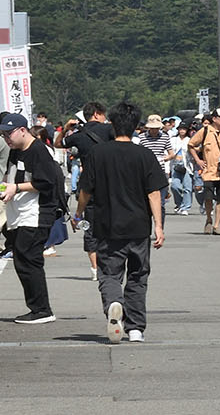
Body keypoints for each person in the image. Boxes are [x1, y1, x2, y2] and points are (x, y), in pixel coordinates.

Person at [75, 102, 167, 342]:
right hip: (138, 226)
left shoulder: (98, 153)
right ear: (136, 126)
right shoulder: (144, 155)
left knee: (109, 274)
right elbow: (154, 193)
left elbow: (85, 189)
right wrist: (158, 225)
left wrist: (78, 213)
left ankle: (114, 303)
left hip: (107, 225)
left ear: (112, 125)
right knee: (138, 276)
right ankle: (135, 328)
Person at [1, 113, 65, 324]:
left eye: (9, 133)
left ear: (22, 130)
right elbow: (11, 176)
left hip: (36, 213)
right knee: (23, 259)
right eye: (3, 134)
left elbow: (46, 182)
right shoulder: (15, 151)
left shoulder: (38, 150)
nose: (6, 138)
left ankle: (42, 310)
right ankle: (38, 308)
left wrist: (16, 187)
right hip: (19, 213)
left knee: (28, 260)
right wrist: (6, 187)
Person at [63, 101, 114, 275]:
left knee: (90, 227)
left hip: (89, 183)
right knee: (111, 224)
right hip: (110, 184)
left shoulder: (79, 134)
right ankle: (110, 263)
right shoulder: (110, 130)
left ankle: (94, 268)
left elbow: (58, 143)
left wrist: (65, 128)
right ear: (97, 114)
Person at [189, 108, 220, 235]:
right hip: (209, 171)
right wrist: (198, 160)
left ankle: (217, 225)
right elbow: (191, 145)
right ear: (214, 119)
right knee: (208, 197)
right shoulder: (205, 131)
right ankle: (209, 219)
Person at [169, 121, 195, 214]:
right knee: (175, 186)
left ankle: (186, 207)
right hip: (176, 165)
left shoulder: (190, 140)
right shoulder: (173, 140)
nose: (182, 131)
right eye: (180, 129)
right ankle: (179, 204)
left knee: (188, 188)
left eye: (184, 129)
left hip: (187, 166)